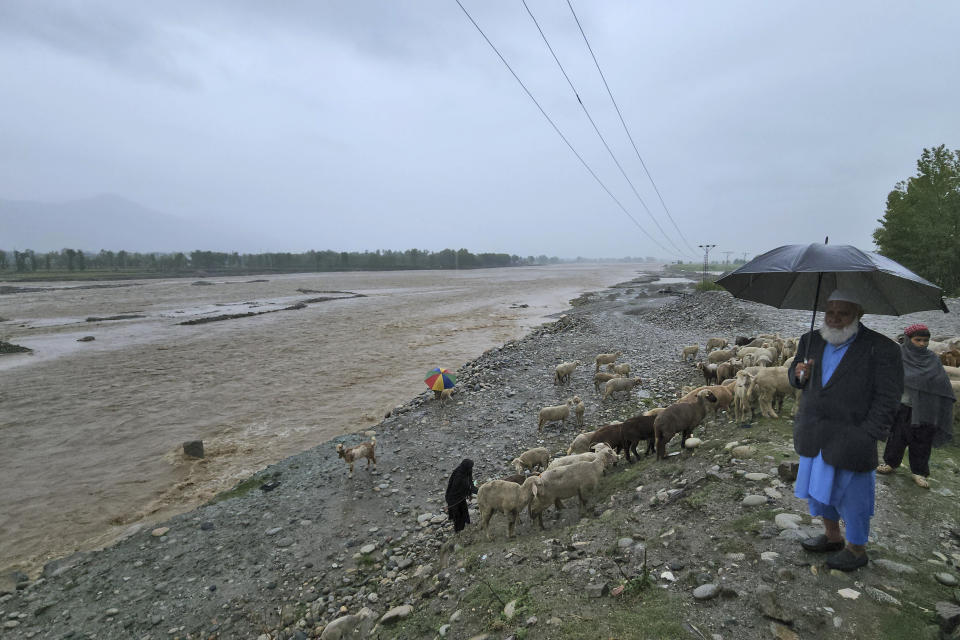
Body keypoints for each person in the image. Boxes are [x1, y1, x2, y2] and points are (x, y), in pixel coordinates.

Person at [788, 289, 903, 571]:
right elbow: (796, 377)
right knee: (818, 489)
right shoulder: (810, 340)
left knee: (854, 496)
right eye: (830, 313)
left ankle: (856, 548)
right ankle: (832, 536)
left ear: (858, 315)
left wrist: (869, 432)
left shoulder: (881, 347)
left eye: (843, 313)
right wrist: (798, 374)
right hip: (815, 431)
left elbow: (889, 397)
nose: (835, 319)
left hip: (853, 435)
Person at [877, 323, 955, 488]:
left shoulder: (932, 359)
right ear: (907, 339)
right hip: (902, 406)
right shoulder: (897, 356)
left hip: (926, 408)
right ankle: (890, 463)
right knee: (896, 437)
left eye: (925, 340)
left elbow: (942, 383)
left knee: (922, 440)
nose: (922, 344)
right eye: (918, 340)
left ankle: (919, 472)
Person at [444, 459, 478, 533]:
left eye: (471, 467)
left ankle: (466, 525)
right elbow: (455, 490)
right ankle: (458, 531)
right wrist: (468, 492)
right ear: (465, 467)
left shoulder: (468, 470)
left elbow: (470, 482)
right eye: (470, 467)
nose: (471, 469)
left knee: (464, 511)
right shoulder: (458, 476)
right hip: (453, 498)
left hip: (461, 496)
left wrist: (474, 492)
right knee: (457, 515)